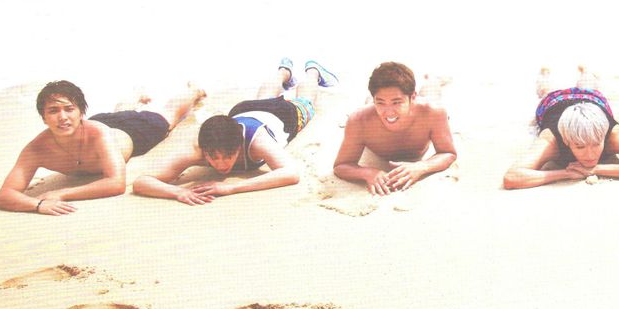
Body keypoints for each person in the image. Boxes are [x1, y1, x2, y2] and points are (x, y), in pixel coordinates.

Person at [132, 59, 336, 205]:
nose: (221, 164)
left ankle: (312, 71)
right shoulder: (199, 148)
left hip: (280, 114)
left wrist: (230, 188)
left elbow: (290, 173)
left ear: (239, 146)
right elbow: (142, 181)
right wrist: (177, 192)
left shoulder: (257, 141)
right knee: (263, 98)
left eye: (228, 156)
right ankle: (284, 71)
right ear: (204, 150)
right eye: (213, 157)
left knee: (305, 102)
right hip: (243, 111)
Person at [0, 80, 203, 214]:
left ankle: (194, 91)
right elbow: (5, 195)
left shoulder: (98, 134)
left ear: (80, 113)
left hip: (134, 131)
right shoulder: (36, 149)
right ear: (43, 118)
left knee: (167, 118)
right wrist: (38, 204)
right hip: (104, 122)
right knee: (118, 115)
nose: (62, 117)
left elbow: (116, 183)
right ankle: (134, 97)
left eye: (69, 109)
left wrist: (62, 193)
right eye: (53, 111)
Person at [503, 70, 619, 189]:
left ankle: (585, 71)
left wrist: (597, 169)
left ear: (603, 137)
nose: (590, 155)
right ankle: (545, 75)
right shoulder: (551, 140)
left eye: (596, 144)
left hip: (591, 99)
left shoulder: (611, 135)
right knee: (546, 91)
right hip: (554, 102)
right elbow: (512, 177)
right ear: (567, 141)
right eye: (580, 147)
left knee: (588, 85)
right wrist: (565, 173)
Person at [333, 61, 456, 195]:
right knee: (369, 106)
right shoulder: (359, 121)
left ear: (412, 97)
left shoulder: (433, 113)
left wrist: (422, 167)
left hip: (422, 106)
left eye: (396, 102)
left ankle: (432, 79)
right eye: (380, 102)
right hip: (370, 111)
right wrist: (367, 173)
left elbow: (448, 153)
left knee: (431, 95)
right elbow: (341, 166)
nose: (389, 112)